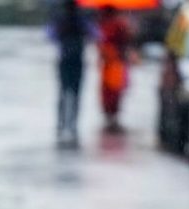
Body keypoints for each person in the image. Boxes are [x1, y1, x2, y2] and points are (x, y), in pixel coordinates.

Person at [51, 0, 88, 147]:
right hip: (76, 62)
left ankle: (61, 123)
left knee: (63, 92)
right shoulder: (82, 21)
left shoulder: (60, 21)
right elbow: (95, 35)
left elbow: (50, 36)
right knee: (75, 93)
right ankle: (72, 124)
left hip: (65, 62)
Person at [97, 5, 132, 133]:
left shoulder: (114, 24)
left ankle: (111, 116)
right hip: (111, 63)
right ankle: (112, 116)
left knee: (113, 91)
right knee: (112, 91)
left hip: (113, 63)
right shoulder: (116, 24)